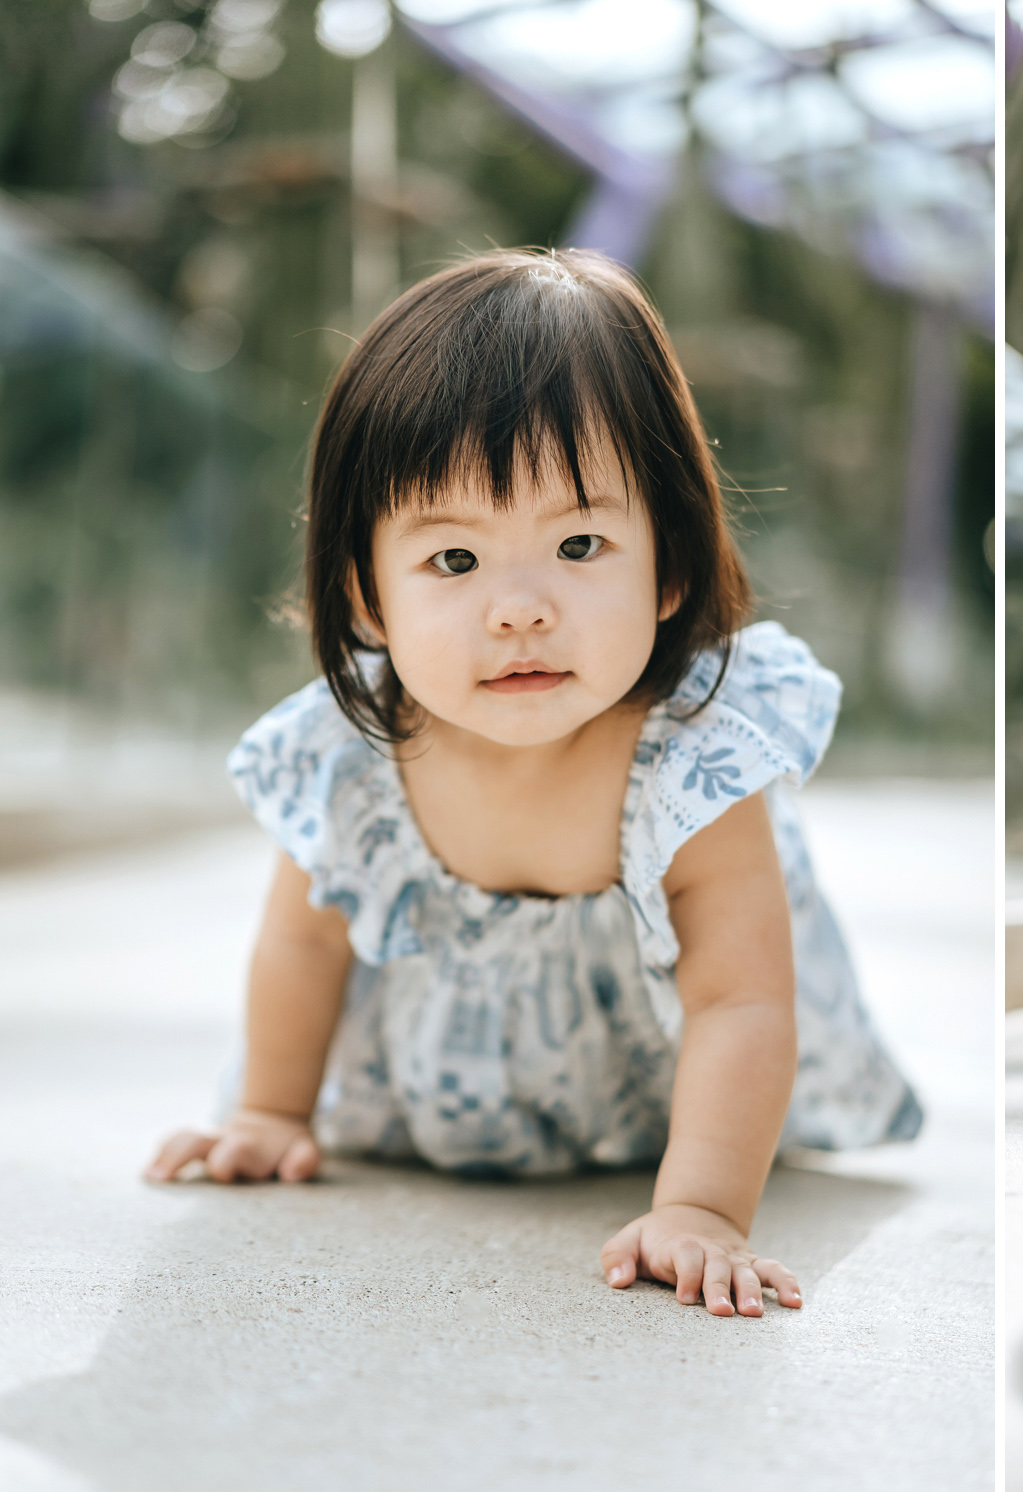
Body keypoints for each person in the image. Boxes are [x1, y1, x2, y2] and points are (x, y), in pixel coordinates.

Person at [144, 248, 920, 1314]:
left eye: (580, 541)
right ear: (366, 594)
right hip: (430, 1114)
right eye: (453, 561)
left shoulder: (691, 760)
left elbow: (739, 996)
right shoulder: (352, 753)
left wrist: (700, 1208)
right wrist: (274, 1111)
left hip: (664, 1118)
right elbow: (301, 938)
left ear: (672, 566)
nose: (519, 608)